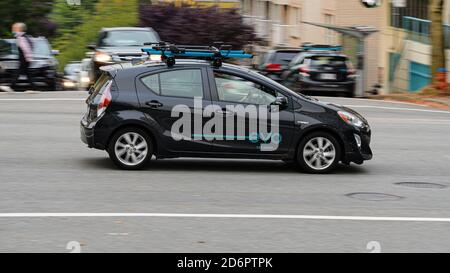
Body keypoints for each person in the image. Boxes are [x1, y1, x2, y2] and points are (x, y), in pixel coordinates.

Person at [10, 22, 36, 91]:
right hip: (26, 58)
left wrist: (28, 58)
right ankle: (34, 87)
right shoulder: (27, 37)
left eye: (14, 28)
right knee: (28, 73)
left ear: (19, 29)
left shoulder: (21, 38)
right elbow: (32, 46)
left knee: (18, 72)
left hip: (24, 58)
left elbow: (26, 48)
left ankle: (11, 86)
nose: (13, 30)